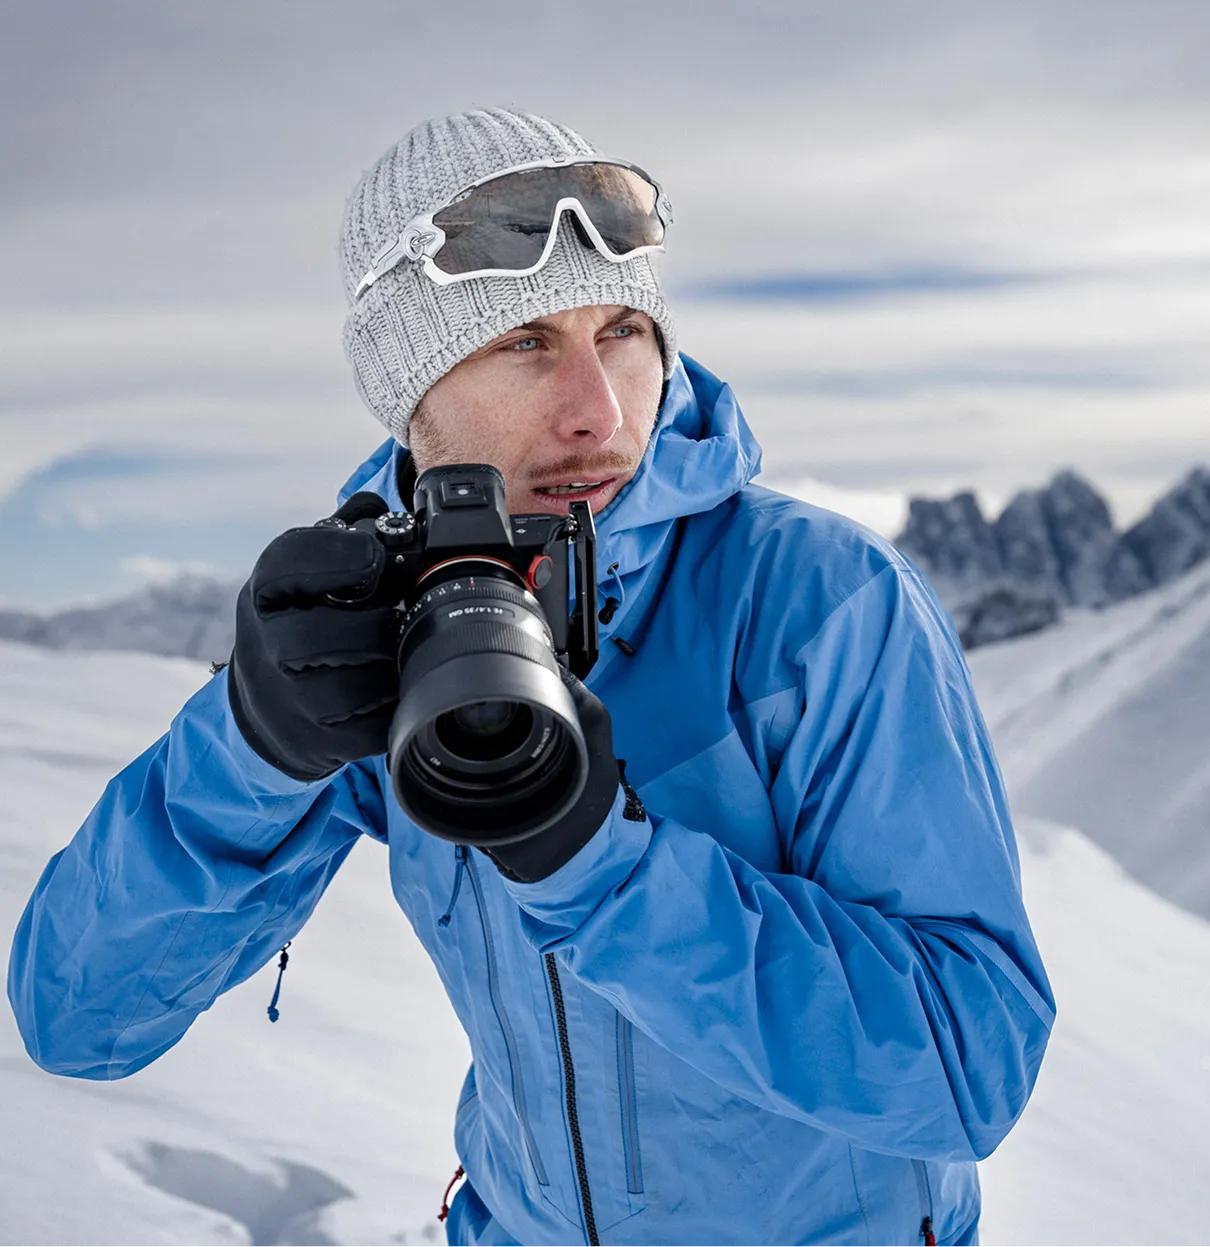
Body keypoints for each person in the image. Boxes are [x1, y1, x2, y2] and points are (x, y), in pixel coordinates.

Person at [8, 109, 1053, 1247]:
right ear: (411, 394)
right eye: (523, 343)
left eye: (623, 332)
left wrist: (603, 869)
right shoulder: (376, 619)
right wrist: (250, 744)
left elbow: (965, 1072)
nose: (599, 410)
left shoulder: (816, 601)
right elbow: (78, 1019)